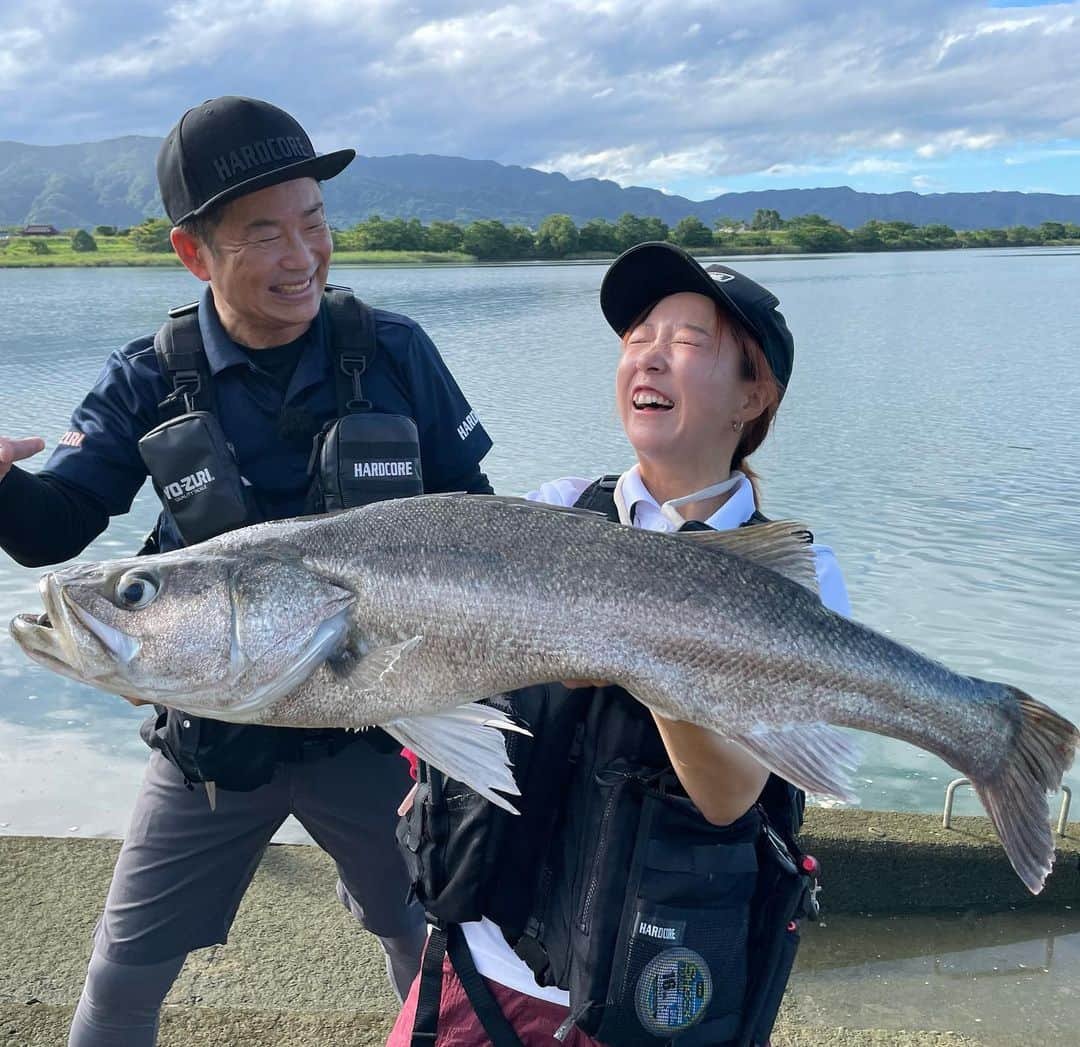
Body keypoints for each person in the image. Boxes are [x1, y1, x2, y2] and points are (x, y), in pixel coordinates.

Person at [0, 96, 493, 1047]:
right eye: (264, 233)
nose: (302, 256)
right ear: (195, 255)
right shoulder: (148, 375)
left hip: (377, 736)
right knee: (119, 980)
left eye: (314, 223)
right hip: (210, 747)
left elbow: (475, 519)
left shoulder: (393, 351)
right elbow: (53, 529)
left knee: (431, 957)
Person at [387, 242, 850, 1047]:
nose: (650, 357)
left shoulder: (797, 573)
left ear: (753, 395)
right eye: (638, 335)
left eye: (688, 340)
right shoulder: (557, 511)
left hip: (645, 993)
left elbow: (730, 796)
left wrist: (636, 639)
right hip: (483, 965)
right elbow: (463, 663)